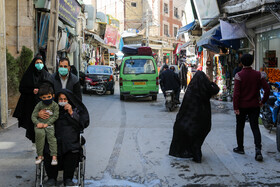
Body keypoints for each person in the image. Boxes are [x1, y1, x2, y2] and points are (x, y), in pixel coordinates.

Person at [169, 71, 220, 163]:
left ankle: (193, 151)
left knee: (191, 133)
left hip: (191, 119)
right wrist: (210, 82)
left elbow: (184, 105)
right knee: (199, 135)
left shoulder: (191, 89)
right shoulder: (206, 89)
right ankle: (196, 151)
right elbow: (216, 89)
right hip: (203, 118)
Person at [43, 89, 89, 186]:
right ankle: (51, 178)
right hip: (54, 138)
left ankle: (68, 178)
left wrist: (71, 112)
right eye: (60, 99)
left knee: (72, 151)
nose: (62, 101)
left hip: (70, 140)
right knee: (48, 150)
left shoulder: (76, 109)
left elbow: (82, 124)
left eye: (65, 99)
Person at [233, 54, 270, 161]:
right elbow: (267, 90)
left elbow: (236, 94)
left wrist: (235, 107)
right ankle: (258, 150)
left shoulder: (238, 75)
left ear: (242, 62)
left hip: (241, 106)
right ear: (252, 62)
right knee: (255, 127)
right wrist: (262, 101)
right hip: (254, 105)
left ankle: (240, 148)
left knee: (240, 127)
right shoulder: (259, 75)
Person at [13, 55, 52, 143]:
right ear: (33, 64)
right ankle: (34, 140)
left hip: (44, 104)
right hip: (31, 104)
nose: (39, 64)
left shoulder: (46, 75)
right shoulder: (28, 75)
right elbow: (22, 88)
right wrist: (31, 90)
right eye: (37, 63)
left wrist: (41, 90)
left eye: (41, 63)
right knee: (32, 123)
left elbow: (50, 88)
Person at [31, 84, 59, 165]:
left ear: (52, 96)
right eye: (44, 97)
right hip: (40, 124)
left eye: (48, 97)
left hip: (49, 124)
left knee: (51, 137)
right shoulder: (39, 105)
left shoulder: (54, 105)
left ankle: (54, 156)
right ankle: (40, 155)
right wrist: (37, 123)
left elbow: (55, 116)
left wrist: (47, 124)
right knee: (39, 134)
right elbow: (33, 116)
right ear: (40, 97)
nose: (47, 99)